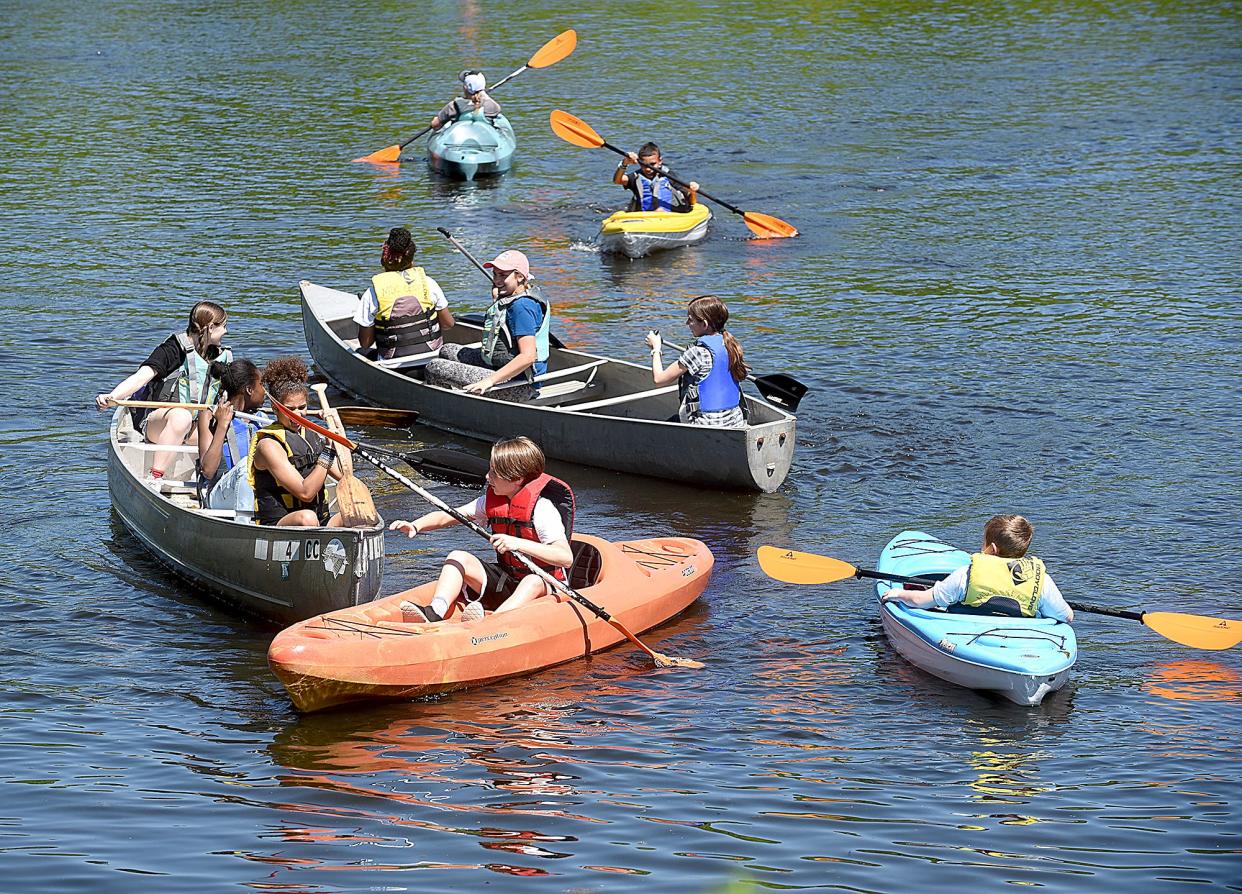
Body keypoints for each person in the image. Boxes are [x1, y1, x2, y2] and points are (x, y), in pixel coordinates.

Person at [389, 436, 574, 622]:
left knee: (531, 581)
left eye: (494, 473)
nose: (487, 477)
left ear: (517, 479)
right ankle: (436, 611)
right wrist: (416, 525)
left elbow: (565, 558)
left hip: (546, 585)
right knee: (457, 556)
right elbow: (449, 515)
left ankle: (491, 623)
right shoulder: (490, 501)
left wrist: (517, 543)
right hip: (509, 580)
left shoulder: (542, 509)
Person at [95, 301, 231, 483]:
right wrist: (112, 397)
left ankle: (216, 481)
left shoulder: (221, 356)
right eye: (223, 326)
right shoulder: (173, 349)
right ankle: (155, 477)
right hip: (158, 423)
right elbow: (141, 377)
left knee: (228, 428)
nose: (226, 331)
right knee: (181, 417)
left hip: (195, 427)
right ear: (210, 328)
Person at [881, 515, 1074, 623]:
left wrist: (898, 593)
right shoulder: (1041, 582)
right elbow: (1066, 616)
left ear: (992, 549)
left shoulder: (967, 575)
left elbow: (921, 601)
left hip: (965, 631)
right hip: (1018, 638)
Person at [423, 250, 551, 401]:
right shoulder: (519, 295)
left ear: (520, 276)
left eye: (503, 275)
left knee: (435, 367)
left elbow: (528, 356)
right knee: (447, 350)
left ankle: (450, 408)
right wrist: (498, 299)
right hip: (507, 370)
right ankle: (463, 396)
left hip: (520, 385)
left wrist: (488, 381)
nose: (497, 280)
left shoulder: (521, 307)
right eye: (495, 274)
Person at [248, 357, 343, 528]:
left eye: (302, 407)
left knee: (358, 512)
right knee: (307, 518)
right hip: (280, 524)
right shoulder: (268, 445)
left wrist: (339, 431)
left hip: (318, 521)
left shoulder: (313, 437)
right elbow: (305, 493)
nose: (297, 415)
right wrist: (328, 451)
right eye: (290, 409)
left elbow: (345, 476)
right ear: (275, 407)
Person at [354, 227, 454, 366]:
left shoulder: (372, 293)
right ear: (411, 259)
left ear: (384, 259)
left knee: (360, 352)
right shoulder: (429, 283)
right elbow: (448, 324)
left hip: (394, 365)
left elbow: (365, 343)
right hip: (431, 361)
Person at [646, 295, 748, 428]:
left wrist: (656, 348)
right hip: (735, 421)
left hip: (707, 424)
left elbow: (659, 379)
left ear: (704, 324)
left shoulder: (697, 352)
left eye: (690, 320)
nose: (687, 324)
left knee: (663, 428)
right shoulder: (731, 344)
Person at [195, 359, 268, 510]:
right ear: (249, 390)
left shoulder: (262, 419)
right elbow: (208, 471)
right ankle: (246, 527)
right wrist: (222, 425)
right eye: (262, 385)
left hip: (257, 491)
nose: (265, 391)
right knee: (246, 466)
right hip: (219, 495)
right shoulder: (209, 416)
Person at [614, 141, 699, 212]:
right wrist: (624, 163)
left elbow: (691, 201)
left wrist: (693, 191)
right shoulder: (636, 177)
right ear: (639, 162)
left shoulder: (669, 176)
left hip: (670, 218)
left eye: (652, 164)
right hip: (645, 219)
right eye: (644, 165)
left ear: (660, 161)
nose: (648, 169)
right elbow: (617, 181)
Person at [430, 70, 501, 131]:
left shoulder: (454, 106)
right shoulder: (493, 106)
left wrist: (435, 120)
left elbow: (435, 125)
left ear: (465, 88)